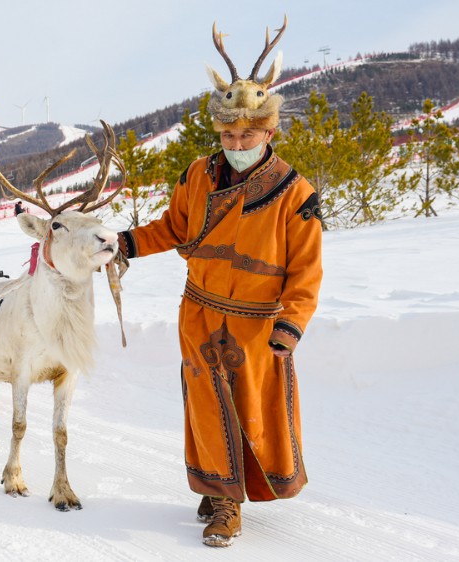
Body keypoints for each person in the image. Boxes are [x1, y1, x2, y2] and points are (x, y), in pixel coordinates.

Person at [115, 21, 322, 548]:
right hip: (200, 311)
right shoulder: (198, 174)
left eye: (247, 135)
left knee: (252, 412)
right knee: (206, 405)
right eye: (228, 135)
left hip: (257, 324)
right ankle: (223, 501)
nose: (236, 144)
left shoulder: (295, 192)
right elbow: (173, 228)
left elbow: (306, 270)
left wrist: (291, 324)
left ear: (268, 133)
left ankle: (230, 485)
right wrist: (126, 243)